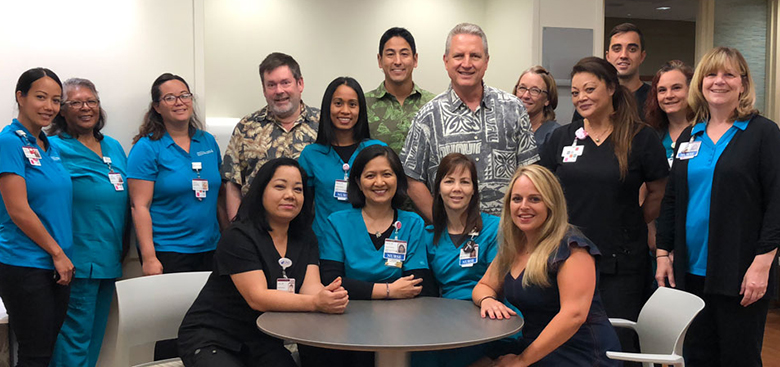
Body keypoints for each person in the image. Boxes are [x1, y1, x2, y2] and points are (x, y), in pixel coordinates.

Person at [656, 47, 780, 367]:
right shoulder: (689, 136)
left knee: (739, 357)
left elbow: (777, 201)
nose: (718, 81)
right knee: (696, 356)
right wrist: (662, 252)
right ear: (700, 83)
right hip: (691, 270)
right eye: (711, 74)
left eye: (728, 74)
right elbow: (672, 199)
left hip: (741, 271)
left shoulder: (763, 133)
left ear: (743, 83)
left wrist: (762, 263)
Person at [539, 56, 668, 357]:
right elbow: (541, 187)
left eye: (589, 89)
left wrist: (632, 220)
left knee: (616, 343)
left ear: (611, 88)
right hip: (568, 257)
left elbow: (659, 190)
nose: (581, 97)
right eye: (575, 92)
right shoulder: (562, 137)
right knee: (570, 340)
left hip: (620, 261)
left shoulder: (640, 137)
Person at [178, 158, 349, 367]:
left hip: (260, 339)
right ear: (261, 192)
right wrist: (315, 303)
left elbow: (311, 287)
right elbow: (257, 298)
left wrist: (328, 296)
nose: (290, 195)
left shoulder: (305, 237)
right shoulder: (238, 236)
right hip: (214, 336)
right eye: (280, 186)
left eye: (298, 189)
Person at [472, 165, 620, 366]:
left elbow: (574, 315)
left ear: (552, 204)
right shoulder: (514, 246)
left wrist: (522, 361)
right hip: (535, 345)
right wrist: (488, 300)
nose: (524, 206)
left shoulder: (573, 248)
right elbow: (483, 286)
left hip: (579, 351)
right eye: (517, 199)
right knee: (473, 360)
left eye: (535, 199)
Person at [401, 23, 538, 220]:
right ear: (446, 61)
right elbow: (411, 179)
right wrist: (443, 224)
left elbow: (530, 172)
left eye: (475, 56)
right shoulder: (428, 116)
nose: (467, 64)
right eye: (459, 56)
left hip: (507, 236)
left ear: (486, 61)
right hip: (451, 241)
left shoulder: (513, 109)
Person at [318, 145, 436, 366]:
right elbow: (331, 281)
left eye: (387, 174)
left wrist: (360, 287)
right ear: (357, 182)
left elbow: (417, 283)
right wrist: (390, 289)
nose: (379, 183)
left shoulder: (412, 223)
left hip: (400, 323)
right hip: (346, 321)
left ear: (398, 180)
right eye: (370, 175)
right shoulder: (337, 222)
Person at [47, 78, 129, 367]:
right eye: (76, 102)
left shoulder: (114, 147)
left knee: (95, 337)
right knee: (73, 338)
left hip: (109, 258)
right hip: (75, 261)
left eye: (91, 101)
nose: (86, 108)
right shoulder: (52, 147)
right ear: (61, 110)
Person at [0, 67, 74, 366]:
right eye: (41, 97)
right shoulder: (9, 141)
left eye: (56, 100)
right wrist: (56, 252)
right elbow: (18, 209)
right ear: (21, 96)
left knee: (45, 350)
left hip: (57, 263)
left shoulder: (49, 145)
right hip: (25, 263)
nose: (49, 107)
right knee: (35, 353)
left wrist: (61, 255)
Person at [128, 73, 222, 276]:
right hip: (168, 250)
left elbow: (219, 195)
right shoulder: (147, 148)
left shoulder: (207, 142)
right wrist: (149, 258)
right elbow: (139, 207)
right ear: (157, 107)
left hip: (211, 248)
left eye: (184, 96)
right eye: (170, 98)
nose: (179, 102)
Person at [417, 153, 501, 366]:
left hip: (486, 314)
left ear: (474, 190)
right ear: (438, 189)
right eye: (449, 181)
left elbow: (500, 283)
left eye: (465, 182)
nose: (457, 188)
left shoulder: (493, 229)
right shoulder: (427, 235)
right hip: (444, 319)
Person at [222, 52, 320, 220]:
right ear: (264, 89)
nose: (279, 91)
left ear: (300, 83)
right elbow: (232, 183)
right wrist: (237, 230)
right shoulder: (246, 127)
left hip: (311, 232)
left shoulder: (323, 125)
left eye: (285, 83)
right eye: (271, 85)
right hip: (256, 233)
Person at [298, 77, 385, 241]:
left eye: (352, 104)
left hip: (369, 240)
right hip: (325, 242)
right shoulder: (311, 155)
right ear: (327, 107)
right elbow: (303, 208)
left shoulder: (377, 150)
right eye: (338, 103)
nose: (345, 110)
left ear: (360, 109)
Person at [365, 27, 436, 154]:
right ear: (380, 60)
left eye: (404, 54)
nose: (397, 61)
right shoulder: (364, 104)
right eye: (390, 54)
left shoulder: (433, 104)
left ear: (415, 59)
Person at [571, 23, 649, 122]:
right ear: (607, 56)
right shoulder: (592, 101)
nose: (623, 55)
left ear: (642, 56)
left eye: (632, 49)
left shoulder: (655, 99)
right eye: (617, 49)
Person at [644, 60, 694, 166]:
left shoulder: (706, 131)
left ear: (691, 90)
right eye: (662, 90)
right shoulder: (651, 136)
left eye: (676, 88)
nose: (669, 95)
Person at [513, 66, 560, 150]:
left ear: (547, 99)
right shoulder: (505, 128)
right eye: (522, 88)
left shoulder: (555, 134)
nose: (526, 95)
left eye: (535, 90)